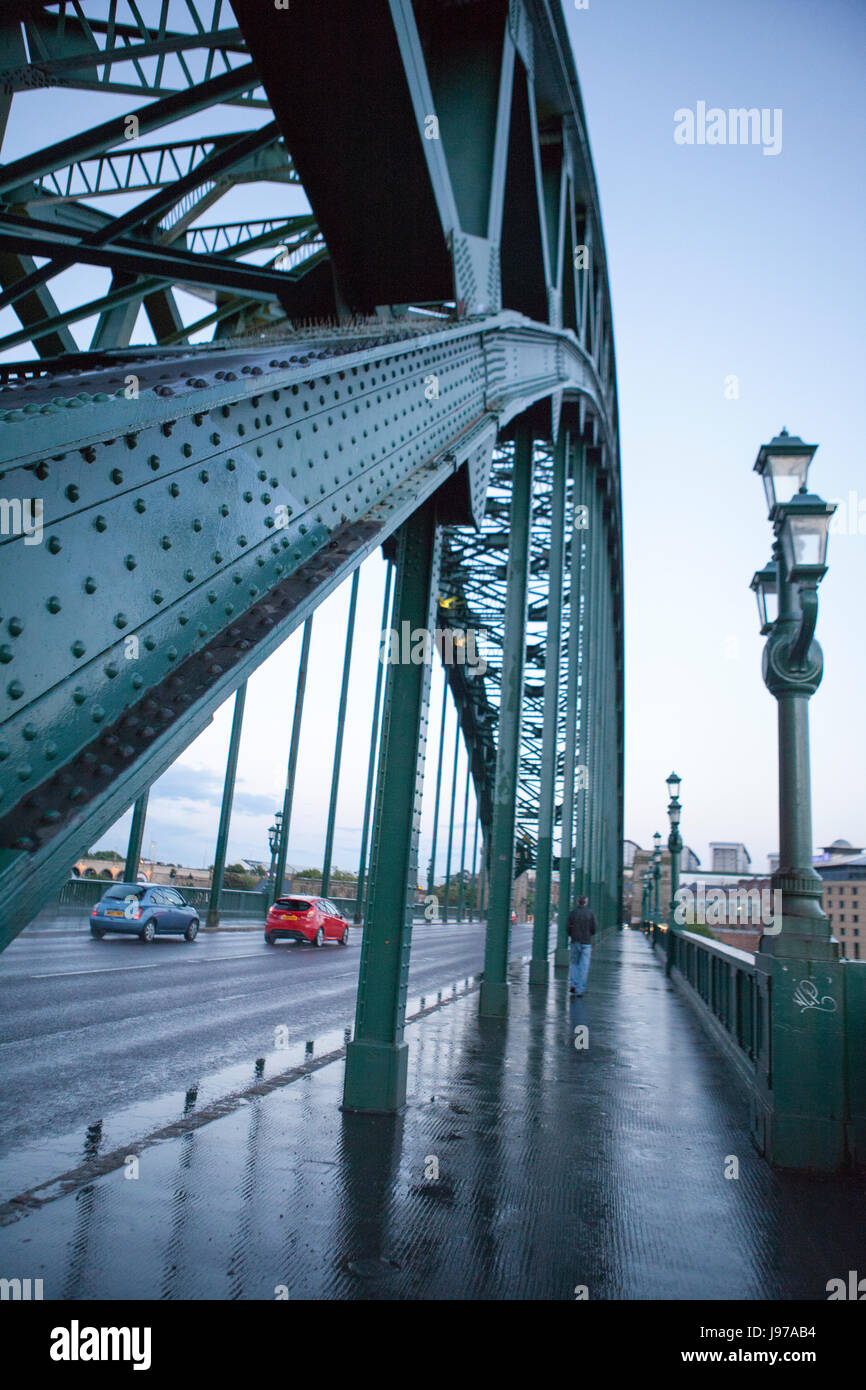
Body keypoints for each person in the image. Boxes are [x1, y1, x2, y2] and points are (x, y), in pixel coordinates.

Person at [567, 895, 597, 996]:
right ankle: (580, 990)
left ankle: (573, 984)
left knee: (574, 964)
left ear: (577, 902)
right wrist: (588, 935)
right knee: (584, 966)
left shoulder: (573, 913)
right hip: (586, 942)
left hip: (575, 941)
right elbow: (594, 929)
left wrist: (572, 935)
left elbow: (567, 927)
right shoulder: (590, 914)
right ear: (586, 903)